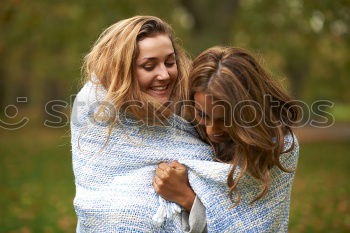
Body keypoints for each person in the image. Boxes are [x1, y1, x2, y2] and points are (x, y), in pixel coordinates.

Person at [71, 15, 213, 232]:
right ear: (123, 71)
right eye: (149, 66)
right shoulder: (99, 120)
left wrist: (187, 198)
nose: (164, 75)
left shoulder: (197, 113)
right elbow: (98, 211)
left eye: (170, 62)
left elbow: (236, 217)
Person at [153, 46, 301, 232]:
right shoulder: (185, 128)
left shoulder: (280, 145)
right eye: (203, 114)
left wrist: (186, 197)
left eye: (225, 120)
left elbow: (255, 227)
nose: (211, 130)